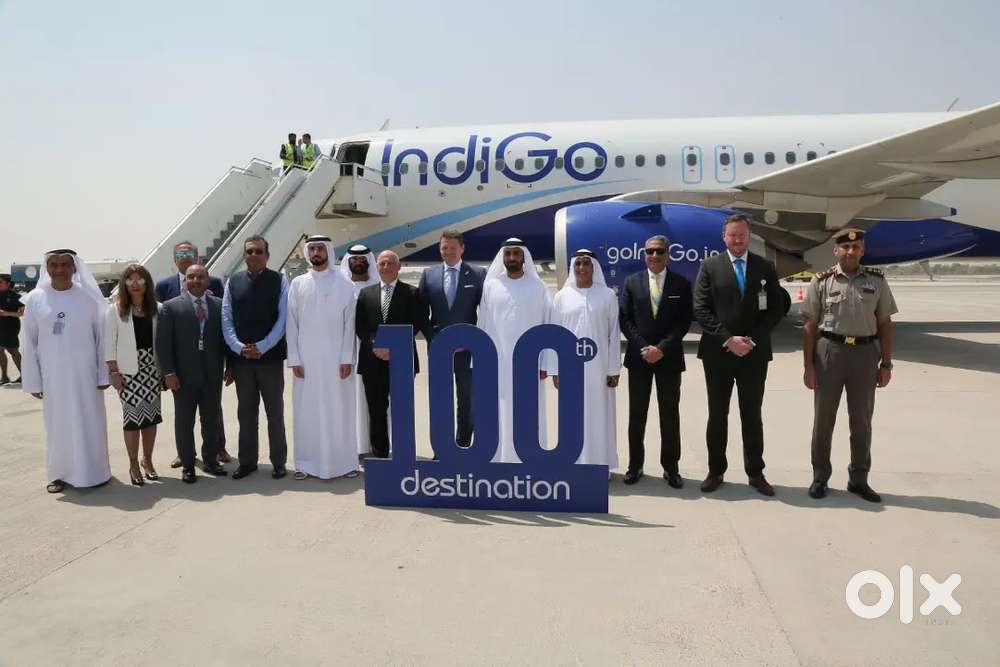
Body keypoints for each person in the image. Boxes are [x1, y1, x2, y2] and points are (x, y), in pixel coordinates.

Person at [802, 228, 898, 503]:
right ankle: (820, 477)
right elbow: (809, 326)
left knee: (862, 421)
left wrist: (886, 363)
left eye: (856, 247)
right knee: (823, 420)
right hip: (829, 353)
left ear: (862, 251)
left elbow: (885, 323)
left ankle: (859, 479)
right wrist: (808, 366)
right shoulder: (822, 281)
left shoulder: (877, 280)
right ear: (836, 251)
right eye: (845, 247)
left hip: (865, 354)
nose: (850, 251)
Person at [693, 214, 784, 496]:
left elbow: (776, 308)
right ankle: (715, 471)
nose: (737, 240)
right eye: (732, 235)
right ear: (724, 237)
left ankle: (755, 473)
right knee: (717, 415)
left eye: (742, 235)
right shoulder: (709, 267)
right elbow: (701, 308)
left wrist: (752, 340)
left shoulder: (764, 267)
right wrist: (727, 339)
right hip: (718, 354)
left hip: (754, 354)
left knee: (752, 415)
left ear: (749, 236)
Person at [20, 249, 111, 494]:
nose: (59, 269)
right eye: (54, 264)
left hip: (86, 377)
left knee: (90, 423)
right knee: (58, 427)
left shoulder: (89, 297)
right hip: (53, 378)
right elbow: (29, 343)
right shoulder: (35, 299)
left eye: (65, 265)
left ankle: (95, 473)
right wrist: (33, 381)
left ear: (74, 268)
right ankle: (58, 475)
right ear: (47, 268)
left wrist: (103, 374)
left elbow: (101, 339)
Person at [618, 236, 693, 487]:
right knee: (637, 415)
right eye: (650, 251)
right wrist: (644, 348)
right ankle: (635, 466)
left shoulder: (681, 283)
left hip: (668, 359)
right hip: (639, 359)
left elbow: (684, 322)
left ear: (668, 254)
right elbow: (625, 321)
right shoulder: (632, 282)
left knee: (669, 415)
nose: (654, 256)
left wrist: (661, 349)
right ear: (644, 255)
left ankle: (671, 468)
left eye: (659, 251)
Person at [287, 236, 359, 479]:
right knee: (307, 412)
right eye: (312, 249)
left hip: (337, 360)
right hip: (306, 361)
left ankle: (345, 463)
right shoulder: (298, 283)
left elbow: (350, 323)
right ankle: (305, 464)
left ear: (328, 251)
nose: (316, 252)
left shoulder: (345, 283)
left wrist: (347, 358)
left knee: (340, 410)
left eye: (320, 248)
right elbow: (292, 323)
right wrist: (294, 359)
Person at [153, 240, 229, 466]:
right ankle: (186, 459)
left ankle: (215, 454)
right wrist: (168, 372)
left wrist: (230, 365)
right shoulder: (167, 295)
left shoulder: (217, 298)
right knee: (184, 419)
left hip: (211, 370)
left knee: (212, 417)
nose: (195, 280)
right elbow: (163, 339)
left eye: (188, 254)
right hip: (183, 371)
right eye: (180, 255)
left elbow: (224, 331)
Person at [479, 238, 552, 463]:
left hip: (530, 363)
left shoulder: (538, 287)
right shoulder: (491, 286)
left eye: (516, 253)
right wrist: (481, 361)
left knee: (529, 410)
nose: (512, 258)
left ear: (524, 257)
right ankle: (501, 458)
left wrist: (546, 363)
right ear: (503, 257)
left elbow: (547, 326)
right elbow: (484, 324)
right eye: (508, 254)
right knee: (500, 410)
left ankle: (530, 459)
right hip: (499, 363)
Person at [222, 235, 290, 479]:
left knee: (275, 414)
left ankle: (278, 462)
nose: (253, 255)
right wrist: (239, 347)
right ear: (244, 255)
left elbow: (283, 320)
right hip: (243, 361)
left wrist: (262, 346)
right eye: (249, 251)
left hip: (270, 360)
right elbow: (226, 318)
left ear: (267, 255)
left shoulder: (280, 281)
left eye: (258, 251)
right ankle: (248, 462)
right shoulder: (233, 282)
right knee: (246, 414)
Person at [550, 250, 621, 473]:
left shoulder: (607, 296)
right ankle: (574, 464)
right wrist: (554, 369)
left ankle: (600, 466)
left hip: (599, 369)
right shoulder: (561, 297)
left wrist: (613, 369)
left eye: (586, 264)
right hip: (570, 369)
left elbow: (614, 334)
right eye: (578, 264)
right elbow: (554, 335)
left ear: (594, 268)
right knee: (572, 415)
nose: (581, 268)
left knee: (600, 416)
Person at [355, 250, 430, 459]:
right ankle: (380, 455)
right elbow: (360, 326)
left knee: (402, 410)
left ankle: (403, 454)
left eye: (390, 263)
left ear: (398, 267)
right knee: (376, 410)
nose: (386, 267)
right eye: (382, 263)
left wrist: (395, 346)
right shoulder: (366, 294)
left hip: (402, 360)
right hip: (372, 360)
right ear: (377, 267)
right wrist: (375, 344)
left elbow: (417, 323)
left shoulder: (412, 293)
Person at [418, 230, 486, 448]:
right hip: (439, 348)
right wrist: (434, 339)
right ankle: (441, 448)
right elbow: (421, 314)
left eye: (452, 248)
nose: (447, 252)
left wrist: (473, 339)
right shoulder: (428, 275)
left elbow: (486, 312)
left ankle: (463, 444)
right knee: (440, 399)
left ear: (462, 248)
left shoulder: (478, 274)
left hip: (468, 349)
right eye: (444, 248)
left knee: (467, 399)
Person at [105, 264, 163, 486]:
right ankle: (133, 464)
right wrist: (114, 372)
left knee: (150, 418)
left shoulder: (157, 309)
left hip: (151, 371)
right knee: (132, 419)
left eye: (140, 279)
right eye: (130, 279)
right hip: (128, 373)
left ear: (147, 282)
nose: (135, 284)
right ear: (124, 284)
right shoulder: (115, 310)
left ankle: (147, 460)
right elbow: (109, 344)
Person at [340, 244, 378, 458]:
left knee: (371, 397)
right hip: (344, 349)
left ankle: (372, 445)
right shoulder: (341, 286)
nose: (358, 263)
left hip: (370, 349)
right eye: (354, 260)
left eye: (362, 259)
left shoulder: (377, 285)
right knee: (348, 397)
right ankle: (351, 445)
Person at [0, 273, 23, 384]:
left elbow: (22, 313)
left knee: (13, 350)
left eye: (0, 282)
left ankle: (25, 375)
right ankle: (4, 377)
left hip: (11, 326)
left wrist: (6, 313)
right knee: (0, 350)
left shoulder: (16, 297)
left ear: (8, 284)